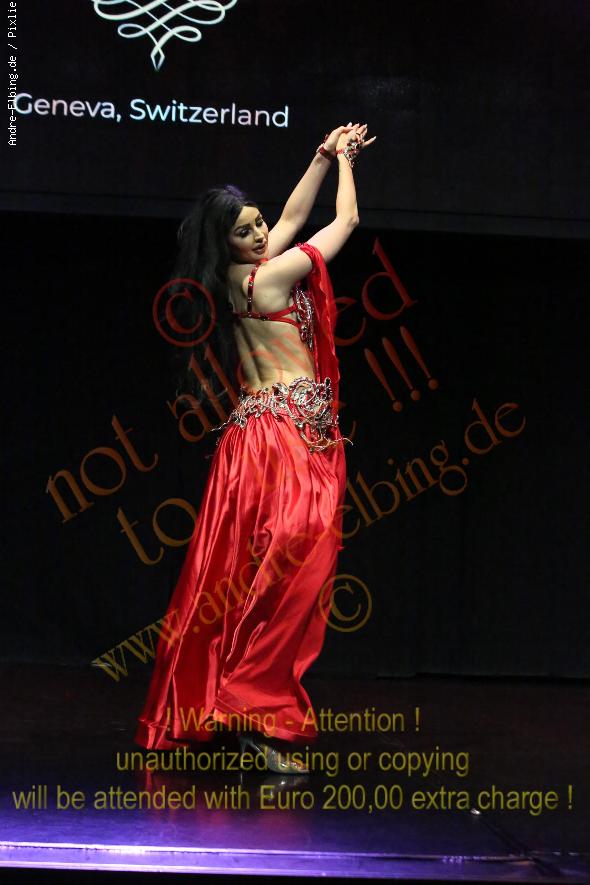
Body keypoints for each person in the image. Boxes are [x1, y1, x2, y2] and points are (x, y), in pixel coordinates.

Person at [135, 122, 376, 774]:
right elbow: (345, 222)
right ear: (227, 243)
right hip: (286, 440)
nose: (262, 234)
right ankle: (253, 710)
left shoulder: (234, 277)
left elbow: (293, 217)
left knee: (242, 576)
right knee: (295, 573)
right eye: (246, 232)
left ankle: (228, 705)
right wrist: (347, 162)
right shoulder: (269, 280)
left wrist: (320, 156)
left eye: (259, 223)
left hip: (254, 438)